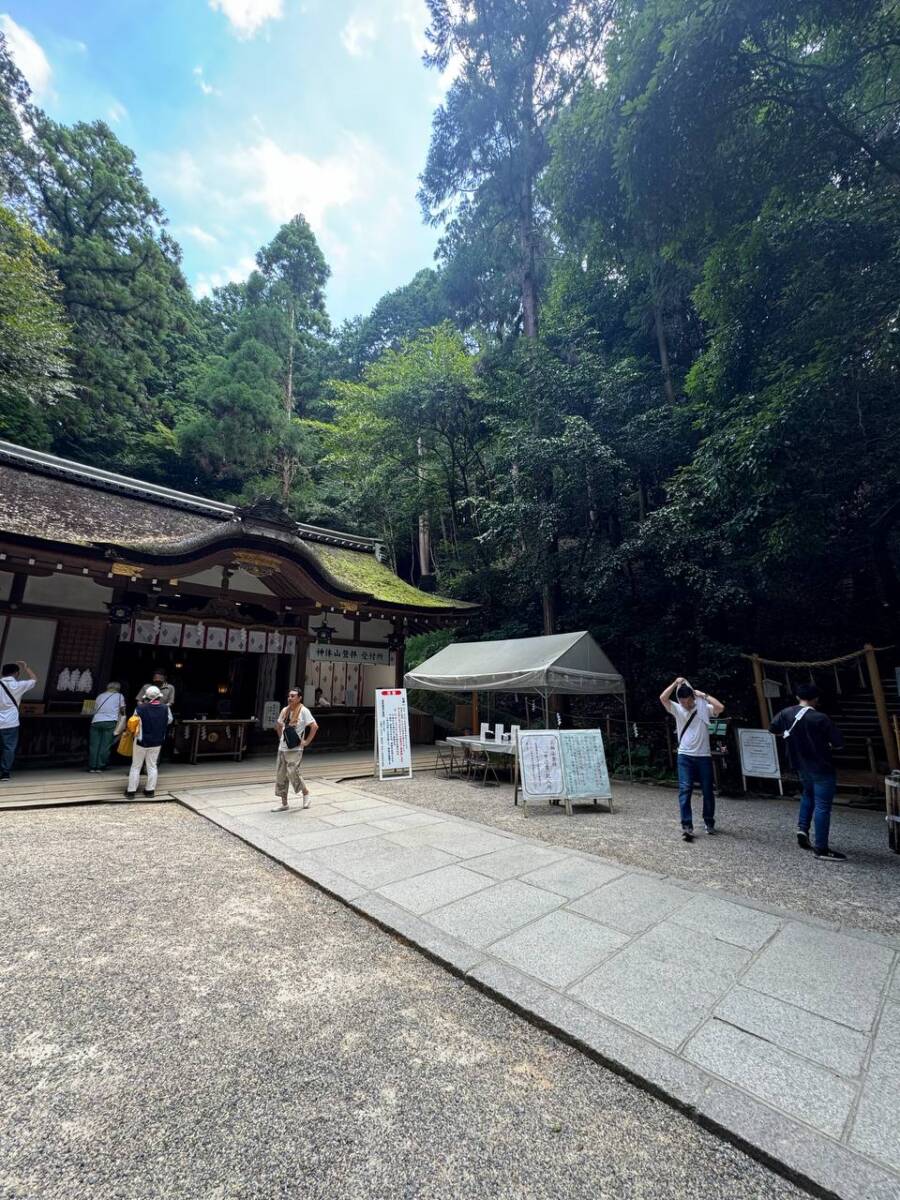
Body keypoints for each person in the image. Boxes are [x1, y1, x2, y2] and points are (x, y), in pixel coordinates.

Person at [770, 683, 846, 861]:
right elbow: (839, 743)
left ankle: (802, 828)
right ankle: (821, 848)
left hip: (799, 763)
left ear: (797, 697)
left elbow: (773, 729)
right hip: (821, 765)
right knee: (822, 805)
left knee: (808, 794)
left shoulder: (786, 713)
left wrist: (787, 735)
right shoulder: (820, 718)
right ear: (816, 699)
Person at [660, 676, 725, 841]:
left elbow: (720, 707)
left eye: (688, 701)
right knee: (685, 789)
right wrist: (675, 683)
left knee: (707, 790)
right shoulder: (677, 709)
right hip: (685, 755)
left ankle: (709, 822)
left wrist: (703, 694)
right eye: (682, 701)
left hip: (703, 755)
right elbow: (663, 698)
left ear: (693, 698)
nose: (685, 705)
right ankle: (687, 826)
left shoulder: (703, 707)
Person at [273, 687, 319, 811]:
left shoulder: (304, 711)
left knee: (293, 772)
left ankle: (305, 793)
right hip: (283, 747)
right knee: (281, 775)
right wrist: (281, 738)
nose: (290, 698)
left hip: (295, 748)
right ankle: (284, 803)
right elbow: (278, 725)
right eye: (289, 696)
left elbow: (314, 726)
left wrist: (306, 742)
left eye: (293, 696)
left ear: (299, 698)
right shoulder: (284, 710)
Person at [126, 686, 172, 799]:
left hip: (141, 740)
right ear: (159, 697)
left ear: (146, 696)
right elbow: (169, 720)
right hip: (157, 740)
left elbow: (133, 721)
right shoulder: (166, 708)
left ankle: (131, 791)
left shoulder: (140, 708)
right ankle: (150, 790)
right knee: (152, 765)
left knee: (136, 766)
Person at [0, 660, 37, 782]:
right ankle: (5, 772)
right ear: (16, 673)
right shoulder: (19, 686)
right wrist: (27, 667)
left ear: (2, 673)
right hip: (11, 722)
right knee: (9, 748)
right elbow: (34, 680)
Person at [88, 681, 125, 772]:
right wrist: (123, 718)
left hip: (96, 721)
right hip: (110, 722)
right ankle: (100, 766)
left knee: (94, 745)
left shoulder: (100, 696)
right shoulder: (120, 696)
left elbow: (95, 708)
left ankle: (92, 766)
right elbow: (122, 710)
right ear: (118, 688)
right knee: (105, 745)